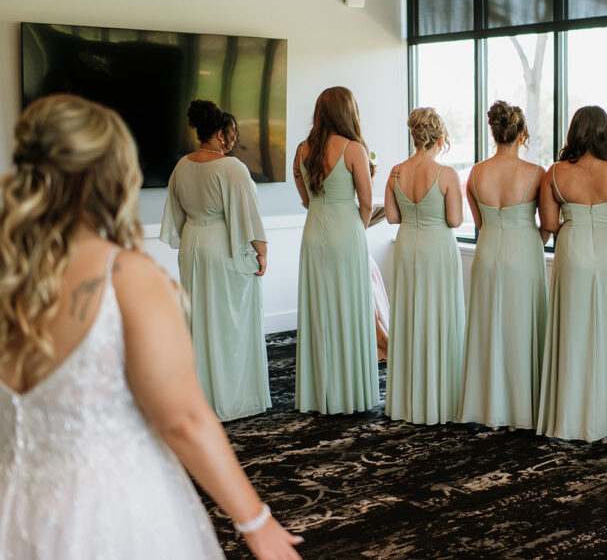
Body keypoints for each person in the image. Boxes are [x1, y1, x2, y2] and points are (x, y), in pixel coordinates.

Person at [0, 95, 301, 559]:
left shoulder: (11, 274)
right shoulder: (126, 277)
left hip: (17, 510)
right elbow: (182, 419)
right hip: (110, 511)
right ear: (112, 174)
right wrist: (257, 523)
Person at [536, 105, 607, 443]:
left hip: (574, 251)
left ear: (574, 132)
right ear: (606, 131)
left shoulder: (554, 173)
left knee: (575, 330)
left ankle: (573, 417)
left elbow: (550, 224)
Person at [160, 99, 271, 422]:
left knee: (200, 320)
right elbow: (250, 216)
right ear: (220, 133)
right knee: (229, 323)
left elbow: (177, 215)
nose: (234, 140)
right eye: (232, 133)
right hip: (223, 247)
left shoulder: (182, 165)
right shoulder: (231, 168)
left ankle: (201, 395)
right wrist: (262, 252)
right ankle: (231, 398)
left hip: (193, 245)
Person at [458, 101, 548, 430]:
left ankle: (488, 406)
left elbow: (480, 221)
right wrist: (532, 238)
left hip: (487, 250)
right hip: (524, 250)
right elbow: (548, 223)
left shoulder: (476, 173)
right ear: (522, 135)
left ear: (495, 134)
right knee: (522, 327)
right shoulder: (536, 174)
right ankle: (524, 408)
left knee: (488, 327)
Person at [293, 87, 379, 414]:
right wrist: (356, 229)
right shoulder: (354, 149)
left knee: (319, 308)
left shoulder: (302, 150)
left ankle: (320, 392)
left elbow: (305, 199)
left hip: (314, 231)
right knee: (349, 307)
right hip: (348, 232)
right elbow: (367, 203)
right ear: (348, 111)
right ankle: (350, 392)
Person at [384, 107, 465, 425]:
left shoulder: (395, 172)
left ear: (415, 136)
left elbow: (392, 217)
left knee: (410, 317)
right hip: (437, 248)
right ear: (440, 138)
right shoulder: (446, 174)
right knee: (438, 318)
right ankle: (440, 400)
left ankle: (408, 398)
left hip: (407, 247)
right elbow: (455, 220)